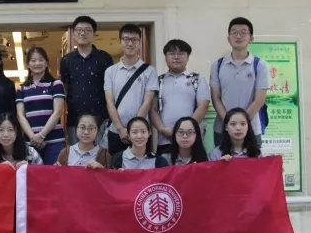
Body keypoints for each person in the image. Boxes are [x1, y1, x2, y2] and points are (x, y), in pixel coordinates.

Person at [210, 17, 270, 148]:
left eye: (243, 32)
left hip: (252, 128)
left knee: (252, 161)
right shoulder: (217, 65)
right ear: (228, 38)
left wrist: (241, 124)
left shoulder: (260, 65)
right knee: (223, 160)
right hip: (222, 128)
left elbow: (259, 100)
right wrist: (229, 122)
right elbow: (216, 98)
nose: (238, 36)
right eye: (234, 32)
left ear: (251, 38)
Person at [104, 24, 158, 156]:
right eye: (126, 39)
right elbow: (110, 102)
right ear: (120, 42)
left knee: (142, 166)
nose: (130, 43)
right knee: (115, 166)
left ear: (139, 43)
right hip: (116, 131)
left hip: (141, 133)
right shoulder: (110, 71)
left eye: (134, 40)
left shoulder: (149, 71)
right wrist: (120, 129)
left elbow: (147, 102)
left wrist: (135, 129)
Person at [60, 16, 114, 146]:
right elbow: (64, 89)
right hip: (75, 119)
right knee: (76, 155)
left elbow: (111, 88)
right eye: (79, 30)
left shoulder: (105, 58)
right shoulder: (66, 60)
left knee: (100, 154)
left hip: (100, 118)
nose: (82, 33)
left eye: (87, 30)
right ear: (73, 33)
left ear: (94, 34)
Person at [150, 40, 210, 155]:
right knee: (166, 166)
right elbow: (152, 109)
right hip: (165, 139)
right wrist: (162, 129)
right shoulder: (158, 81)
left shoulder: (197, 79)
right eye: (171, 53)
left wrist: (186, 130)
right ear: (165, 57)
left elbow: (203, 106)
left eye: (181, 53)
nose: (176, 57)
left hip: (191, 138)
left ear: (188, 57)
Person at [16, 46, 66, 165]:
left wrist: (42, 135)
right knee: (32, 174)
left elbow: (58, 112)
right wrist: (33, 137)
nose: (37, 63)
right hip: (30, 141)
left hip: (54, 140)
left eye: (41, 60)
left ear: (46, 62)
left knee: (54, 173)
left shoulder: (56, 84)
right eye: (33, 60)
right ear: (28, 64)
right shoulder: (21, 88)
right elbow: (20, 115)